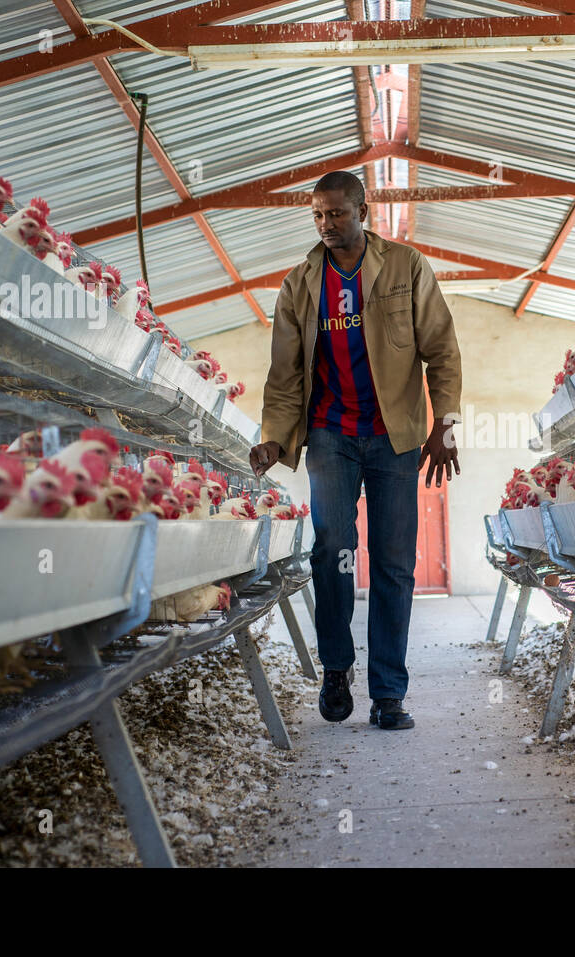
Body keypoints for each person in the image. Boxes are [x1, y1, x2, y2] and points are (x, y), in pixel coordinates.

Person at [250, 170, 462, 731]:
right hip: (329, 434)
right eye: (318, 214)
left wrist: (446, 423)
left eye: (337, 213)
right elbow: (284, 373)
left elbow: (441, 348)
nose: (326, 223)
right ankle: (337, 667)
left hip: (395, 436)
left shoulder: (404, 268)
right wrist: (274, 436)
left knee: (394, 564)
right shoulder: (299, 285)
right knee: (333, 550)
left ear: (362, 211)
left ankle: (389, 694)